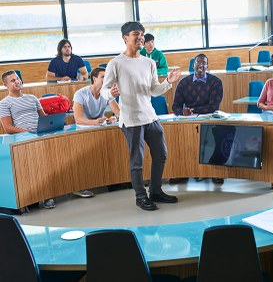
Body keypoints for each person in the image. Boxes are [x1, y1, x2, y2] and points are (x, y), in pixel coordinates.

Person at [101, 21, 181, 211]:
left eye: (142, 34)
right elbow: (104, 91)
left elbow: (154, 90)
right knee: (137, 160)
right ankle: (140, 196)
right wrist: (112, 93)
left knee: (161, 154)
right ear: (125, 38)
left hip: (150, 117)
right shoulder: (116, 63)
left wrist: (168, 82)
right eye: (136, 34)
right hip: (131, 120)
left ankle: (155, 191)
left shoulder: (149, 62)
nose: (140, 37)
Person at [0, 70, 56, 208]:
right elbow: (8, 128)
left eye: (18, 78)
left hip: (40, 135)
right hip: (22, 139)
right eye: (13, 80)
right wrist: (29, 132)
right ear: (6, 85)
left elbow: (43, 118)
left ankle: (48, 194)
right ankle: (36, 196)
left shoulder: (32, 98)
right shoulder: (4, 103)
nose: (17, 81)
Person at [172, 53, 224, 184]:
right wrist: (182, 111)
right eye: (197, 63)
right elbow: (175, 106)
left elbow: (213, 106)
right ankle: (183, 171)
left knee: (217, 135)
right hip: (189, 118)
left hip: (209, 117)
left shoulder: (216, 82)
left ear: (207, 66)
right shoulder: (184, 83)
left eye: (203, 63)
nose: (200, 65)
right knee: (180, 139)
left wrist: (193, 110)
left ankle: (215, 172)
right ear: (193, 65)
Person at [72, 67, 121, 198]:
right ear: (94, 79)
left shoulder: (107, 93)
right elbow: (78, 119)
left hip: (99, 128)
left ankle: (114, 181)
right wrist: (96, 122)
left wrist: (113, 118)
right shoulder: (80, 93)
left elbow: (118, 112)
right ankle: (80, 186)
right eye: (103, 77)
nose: (106, 79)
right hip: (83, 130)